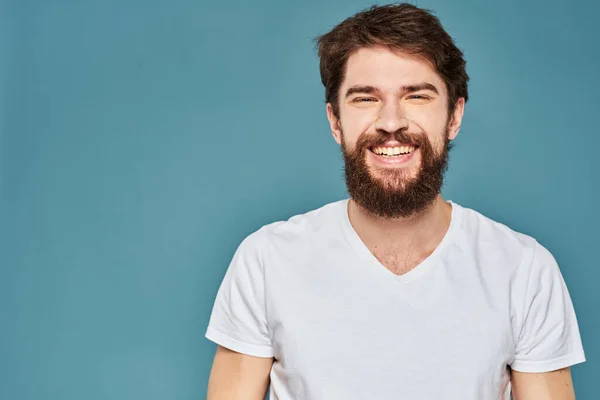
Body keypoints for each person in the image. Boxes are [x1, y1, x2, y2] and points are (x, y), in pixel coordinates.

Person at [205, 3, 586, 399]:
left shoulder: (524, 270)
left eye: (417, 96)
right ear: (335, 121)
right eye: (365, 99)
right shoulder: (266, 261)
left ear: (454, 117)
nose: (391, 122)